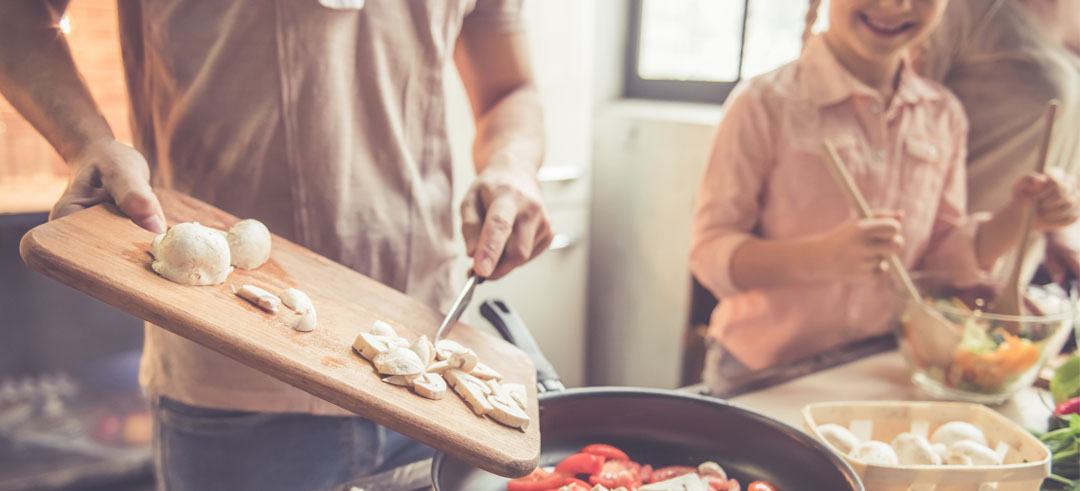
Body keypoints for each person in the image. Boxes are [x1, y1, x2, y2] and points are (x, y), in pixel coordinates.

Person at [0, 1, 552, 489]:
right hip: (231, 386)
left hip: (428, 356)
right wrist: (86, 142)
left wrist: (513, 167)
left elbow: (512, 89)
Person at [690, 0, 1080, 394]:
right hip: (760, 369)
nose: (897, 4)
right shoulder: (762, 104)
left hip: (879, 367)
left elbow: (941, 257)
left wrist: (1020, 217)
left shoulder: (944, 116)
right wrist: (823, 256)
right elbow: (711, 254)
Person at [919, 0, 1080, 287]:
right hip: (935, 275)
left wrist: (1061, 228)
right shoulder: (965, 9)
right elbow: (894, 122)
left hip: (1006, 286)